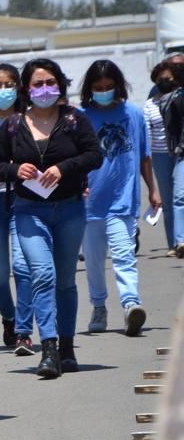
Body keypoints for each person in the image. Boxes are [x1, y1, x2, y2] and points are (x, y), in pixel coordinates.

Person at [0, 59, 102, 378]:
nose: (45, 89)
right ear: (26, 89)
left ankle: (67, 346)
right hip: (28, 211)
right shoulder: (12, 125)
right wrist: (15, 170)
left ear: (60, 85)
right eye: (38, 84)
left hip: (69, 208)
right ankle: (49, 347)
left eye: (50, 82)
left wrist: (64, 168)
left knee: (65, 280)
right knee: (42, 274)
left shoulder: (74, 120)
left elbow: (95, 155)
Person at [79, 59, 156, 337]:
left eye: (109, 87)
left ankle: (130, 303)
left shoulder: (133, 114)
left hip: (123, 200)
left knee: (124, 255)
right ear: (90, 88)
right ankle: (99, 306)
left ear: (118, 86)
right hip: (89, 203)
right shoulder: (80, 117)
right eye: (98, 87)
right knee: (95, 261)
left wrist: (153, 189)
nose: (104, 91)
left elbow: (144, 155)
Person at [0, 63, 36, 355]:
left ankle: (24, 331)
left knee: (23, 267)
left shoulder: (28, 118)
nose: (3, 90)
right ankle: (9, 319)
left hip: (23, 198)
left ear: (19, 88)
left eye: (9, 84)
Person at [144, 60, 182, 256]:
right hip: (160, 155)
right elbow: (147, 134)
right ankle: (173, 244)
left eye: (167, 79)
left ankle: (181, 238)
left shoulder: (179, 98)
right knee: (167, 201)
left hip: (179, 152)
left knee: (180, 196)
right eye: (159, 80)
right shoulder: (150, 105)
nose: (163, 82)